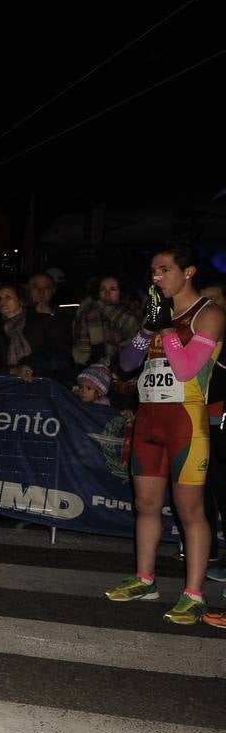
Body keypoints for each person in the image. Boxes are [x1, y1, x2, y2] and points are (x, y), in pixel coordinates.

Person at [108, 244, 224, 626]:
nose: (155, 277)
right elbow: (125, 364)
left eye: (164, 269)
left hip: (185, 423)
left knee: (190, 510)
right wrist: (147, 328)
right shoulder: (158, 315)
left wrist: (167, 328)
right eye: (153, 271)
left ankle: (193, 595)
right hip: (149, 420)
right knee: (145, 505)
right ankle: (144, 578)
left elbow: (188, 368)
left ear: (188, 271)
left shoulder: (209, 313)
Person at [0, 282, 71, 383]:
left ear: (21, 300)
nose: (2, 302)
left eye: (8, 297)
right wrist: (12, 370)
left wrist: (29, 366)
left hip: (45, 383)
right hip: (12, 386)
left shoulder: (43, 321)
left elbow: (61, 354)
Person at [72, 274, 142, 368]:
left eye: (113, 289)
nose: (107, 293)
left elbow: (132, 338)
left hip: (120, 362)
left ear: (121, 292)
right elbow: (76, 333)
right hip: (87, 363)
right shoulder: (87, 308)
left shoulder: (132, 310)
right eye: (102, 289)